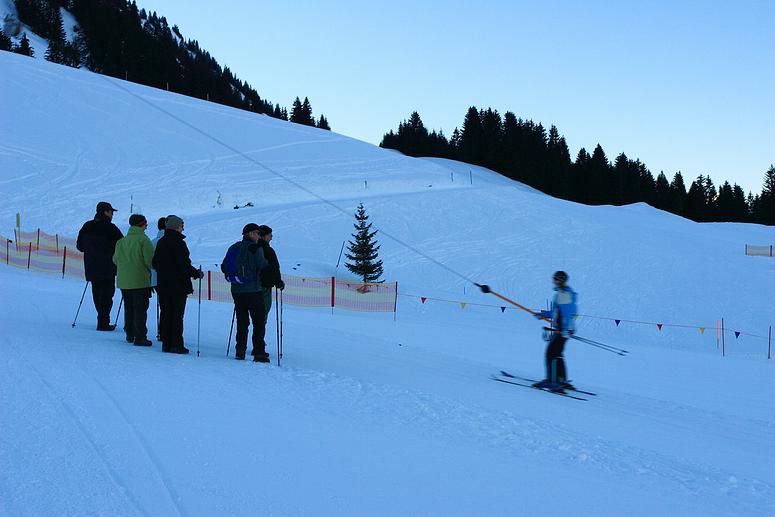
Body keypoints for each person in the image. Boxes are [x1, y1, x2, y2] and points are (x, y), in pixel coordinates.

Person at [152, 215, 203, 354]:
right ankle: (176, 344)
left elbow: (154, 263)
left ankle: (166, 343)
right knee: (177, 315)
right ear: (176, 227)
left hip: (163, 285)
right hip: (178, 285)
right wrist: (196, 273)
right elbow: (184, 265)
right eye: (181, 226)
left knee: (167, 313)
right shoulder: (179, 243)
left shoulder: (161, 242)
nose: (182, 228)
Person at [222, 223, 269, 362]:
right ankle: (259, 352)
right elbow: (263, 265)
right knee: (258, 321)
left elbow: (224, 266)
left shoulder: (233, 247)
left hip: (236, 290)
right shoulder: (256, 248)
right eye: (257, 233)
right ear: (250, 234)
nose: (259, 236)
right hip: (253, 290)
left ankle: (240, 350)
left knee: (242, 321)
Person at [76, 201, 123, 330]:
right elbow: (121, 246)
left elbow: (80, 246)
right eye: (111, 212)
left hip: (91, 267)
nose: (112, 214)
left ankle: (102, 320)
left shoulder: (87, 226)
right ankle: (103, 322)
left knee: (97, 294)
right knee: (107, 295)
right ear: (105, 212)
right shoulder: (111, 228)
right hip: (108, 267)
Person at [112, 214, 154, 346]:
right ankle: (140, 336)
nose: (147, 225)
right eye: (146, 223)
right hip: (140, 280)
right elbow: (150, 261)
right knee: (140, 309)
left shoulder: (121, 241)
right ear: (142, 224)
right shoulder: (143, 240)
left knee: (129, 307)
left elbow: (115, 259)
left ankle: (129, 334)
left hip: (124, 281)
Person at [533, 271, 578, 391]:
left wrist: (565, 329)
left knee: (551, 354)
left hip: (562, 330)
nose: (553, 281)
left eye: (555, 279)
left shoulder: (563, 294)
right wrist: (543, 315)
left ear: (560, 280)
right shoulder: (565, 292)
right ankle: (562, 380)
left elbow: (568, 313)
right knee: (557, 354)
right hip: (564, 329)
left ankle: (552, 381)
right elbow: (556, 312)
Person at [256, 225, 285, 328]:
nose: (271, 237)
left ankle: (242, 342)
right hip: (264, 287)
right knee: (262, 315)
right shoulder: (268, 251)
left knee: (246, 317)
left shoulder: (251, 247)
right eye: (269, 235)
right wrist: (279, 282)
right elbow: (274, 268)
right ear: (264, 236)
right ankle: (259, 342)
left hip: (249, 286)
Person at [150, 216, 166, 341]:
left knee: (162, 305)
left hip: (154, 279)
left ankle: (162, 331)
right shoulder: (169, 240)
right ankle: (165, 331)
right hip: (167, 279)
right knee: (168, 306)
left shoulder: (153, 242)